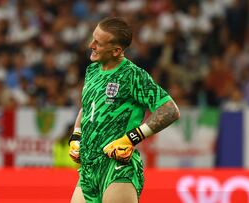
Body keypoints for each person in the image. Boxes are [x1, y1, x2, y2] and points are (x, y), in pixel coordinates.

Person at [68, 17, 180, 203]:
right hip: (88, 170)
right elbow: (87, 107)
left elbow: (170, 110)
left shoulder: (133, 76)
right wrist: (76, 136)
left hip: (117, 168)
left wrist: (131, 138)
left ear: (116, 50)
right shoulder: (92, 71)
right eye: (92, 38)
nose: (91, 45)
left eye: (98, 42)